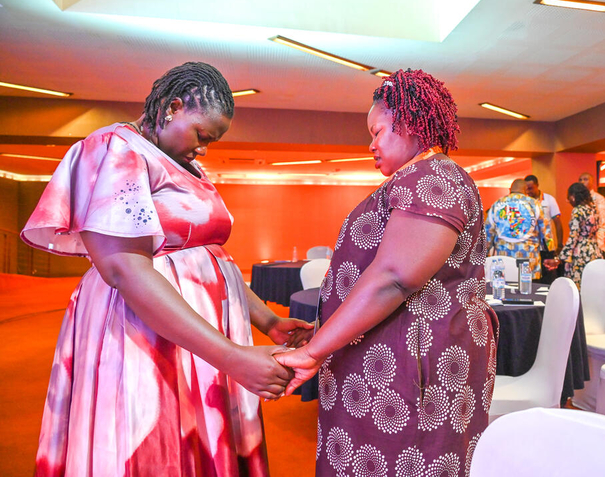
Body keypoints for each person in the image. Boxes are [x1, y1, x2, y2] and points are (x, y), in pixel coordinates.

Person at [21, 62, 313, 477]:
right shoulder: (114, 148)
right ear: (173, 107)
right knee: (154, 443)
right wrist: (231, 357)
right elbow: (123, 266)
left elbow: (211, 259)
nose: (204, 149)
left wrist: (268, 320)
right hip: (144, 332)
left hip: (198, 338)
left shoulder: (184, 163)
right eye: (201, 135)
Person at [275, 70, 498, 477]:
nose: (371, 144)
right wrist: (324, 331)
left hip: (412, 367)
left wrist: (313, 352)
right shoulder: (418, 177)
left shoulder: (432, 177)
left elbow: (395, 276)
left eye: (377, 132)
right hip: (394, 360)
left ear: (411, 124)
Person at [485, 178, 554, 280]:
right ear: (525, 190)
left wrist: (484, 253)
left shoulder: (497, 204)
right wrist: (550, 254)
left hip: (503, 261)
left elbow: (487, 233)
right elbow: (546, 232)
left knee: (503, 292)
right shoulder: (535, 204)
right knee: (528, 292)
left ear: (510, 189)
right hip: (529, 261)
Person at [544, 183, 602, 289]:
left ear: (573, 197)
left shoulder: (578, 211)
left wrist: (559, 259)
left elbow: (573, 237)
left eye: (568, 197)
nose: (567, 200)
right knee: (591, 287)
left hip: (581, 254)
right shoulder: (594, 209)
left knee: (578, 288)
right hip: (594, 251)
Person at [524, 174, 563, 249]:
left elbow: (557, 222)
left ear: (537, 185)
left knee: (547, 260)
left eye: (531, 188)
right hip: (530, 243)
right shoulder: (524, 202)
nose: (528, 191)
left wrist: (559, 244)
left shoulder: (549, 199)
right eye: (526, 189)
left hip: (547, 242)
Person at [578, 172, 605, 254]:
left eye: (585, 179)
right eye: (580, 180)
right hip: (581, 242)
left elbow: (602, 222)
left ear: (592, 182)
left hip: (595, 241)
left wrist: (599, 244)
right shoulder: (579, 200)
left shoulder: (599, 199)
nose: (582, 182)